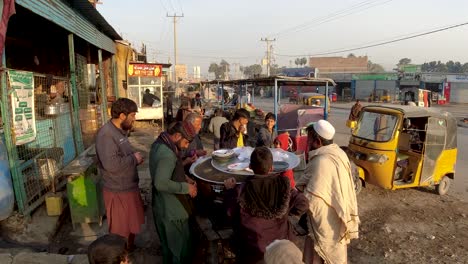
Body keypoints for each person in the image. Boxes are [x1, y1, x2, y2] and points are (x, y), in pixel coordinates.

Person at [223, 147, 309, 263]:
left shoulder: (241, 189)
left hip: (252, 251)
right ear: (272, 167)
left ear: (250, 167)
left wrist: (229, 191)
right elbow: (303, 204)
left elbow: (229, 213)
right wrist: (286, 211)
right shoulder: (283, 186)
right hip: (280, 249)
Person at [296, 120, 360, 264]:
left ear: (318, 141)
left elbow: (311, 199)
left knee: (322, 253)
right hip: (338, 213)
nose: (307, 142)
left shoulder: (322, 161)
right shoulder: (338, 152)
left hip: (326, 220)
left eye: (310, 139)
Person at [95, 98, 145, 250]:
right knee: (120, 230)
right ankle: (119, 256)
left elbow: (121, 155)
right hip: (117, 190)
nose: (134, 119)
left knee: (131, 225)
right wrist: (134, 159)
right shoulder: (106, 135)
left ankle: (128, 249)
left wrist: (133, 158)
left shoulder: (119, 131)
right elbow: (111, 165)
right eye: (132, 116)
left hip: (128, 187)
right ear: (122, 116)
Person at [149, 121, 198, 264]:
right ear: (177, 135)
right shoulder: (168, 154)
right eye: (186, 142)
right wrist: (186, 187)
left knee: (168, 248)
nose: (186, 146)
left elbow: (169, 170)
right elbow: (161, 183)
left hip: (161, 206)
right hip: (172, 210)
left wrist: (185, 178)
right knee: (178, 250)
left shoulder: (159, 143)